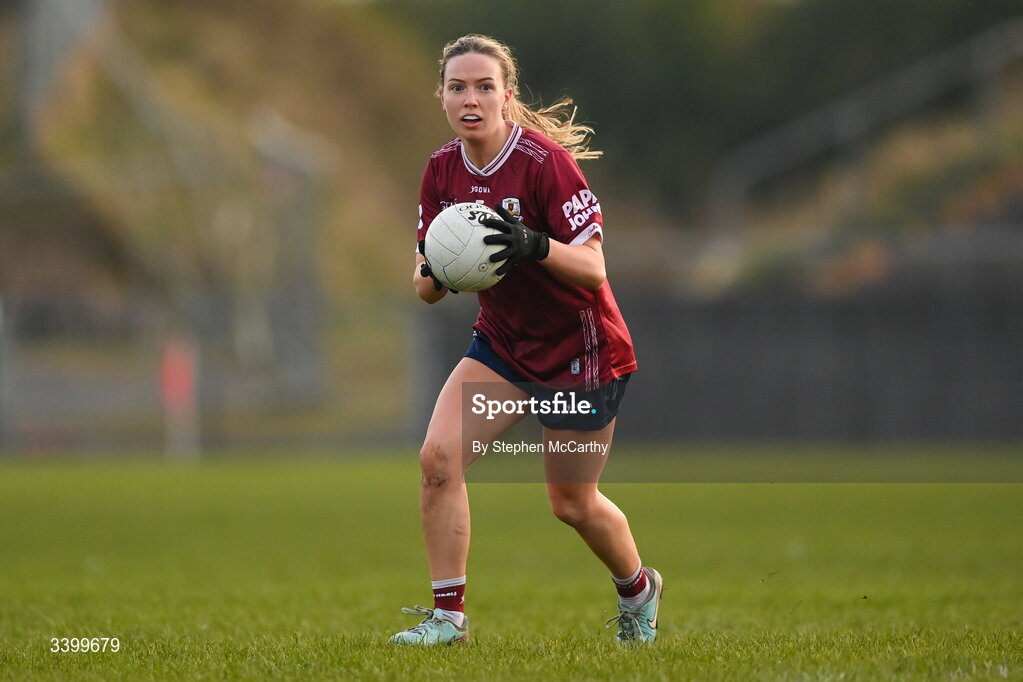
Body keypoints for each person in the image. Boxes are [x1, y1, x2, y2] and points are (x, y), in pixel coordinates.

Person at [390, 34, 661, 646]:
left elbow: (594, 269)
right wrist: (440, 268)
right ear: (441, 96)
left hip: (580, 351)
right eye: (458, 86)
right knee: (438, 463)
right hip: (505, 346)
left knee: (571, 504)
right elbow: (425, 289)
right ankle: (448, 620)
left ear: (506, 96)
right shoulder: (440, 171)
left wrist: (534, 245)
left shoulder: (543, 163)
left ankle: (639, 591)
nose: (471, 98)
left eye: (485, 86)